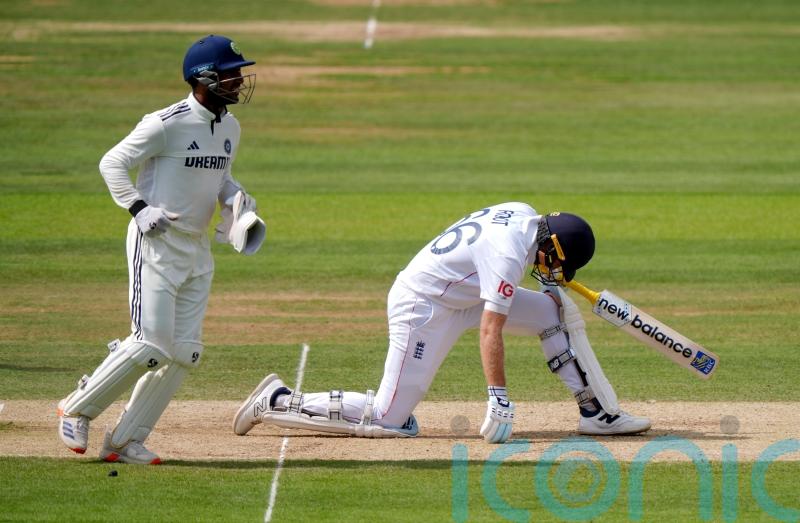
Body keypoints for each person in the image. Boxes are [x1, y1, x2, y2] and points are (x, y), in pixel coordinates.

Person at [232, 202, 650, 442]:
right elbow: (491, 329)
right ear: (549, 245)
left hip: (462, 292)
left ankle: (595, 412)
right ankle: (278, 400)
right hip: (423, 306)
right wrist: (498, 397)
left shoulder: (524, 214)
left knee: (550, 312)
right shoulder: (507, 258)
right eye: (559, 263)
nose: (556, 271)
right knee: (389, 419)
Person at [57, 35, 261, 464]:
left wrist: (236, 198)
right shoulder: (165, 123)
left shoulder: (230, 127)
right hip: (156, 243)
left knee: (184, 352)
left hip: (197, 249)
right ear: (204, 78)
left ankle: (125, 439)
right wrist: (138, 208)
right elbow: (111, 162)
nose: (240, 80)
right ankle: (76, 407)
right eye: (232, 73)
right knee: (151, 345)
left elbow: (219, 177)